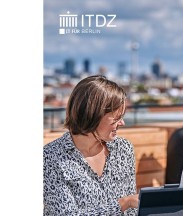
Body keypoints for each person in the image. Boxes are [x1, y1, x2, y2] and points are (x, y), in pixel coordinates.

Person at [43, 75, 139, 215]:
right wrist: (124, 203)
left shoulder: (123, 149)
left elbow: (131, 213)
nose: (122, 123)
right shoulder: (50, 157)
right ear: (92, 115)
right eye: (117, 118)